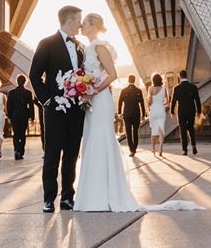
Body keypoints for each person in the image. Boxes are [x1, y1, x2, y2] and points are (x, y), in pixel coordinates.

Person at [73, 13, 202, 213]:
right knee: (92, 140)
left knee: (101, 140)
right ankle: (94, 194)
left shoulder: (99, 47)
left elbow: (113, 75)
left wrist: (92, 91)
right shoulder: (89, 47)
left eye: (85, 23)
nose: (81, 25)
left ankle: (104, 195)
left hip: (99, 100)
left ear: (93, 26)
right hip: (92, 101)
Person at [29, 5, 85, 213]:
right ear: (69, 21)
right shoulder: (46, 44)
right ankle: (48, 198)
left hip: (76, 110)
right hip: (54, 110)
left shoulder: (80, 46)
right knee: (52, 153)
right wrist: (47, 100)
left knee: (71, 153)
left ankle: (67, 197)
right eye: (79, 20)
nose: (81, 24)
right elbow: (34, 75)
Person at [171, 69, 202, 155]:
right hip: (191, 111)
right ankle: (193, 145)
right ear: (186, 76)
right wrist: (199, 111)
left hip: (181, 112)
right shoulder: (193, 87)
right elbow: (197, 100)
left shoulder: (176, 88)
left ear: (180, 77)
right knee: (191, 128)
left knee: (183, 130)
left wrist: (172, 111)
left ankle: (185, 149)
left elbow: (173, 101)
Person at [7, 75, 35, 160]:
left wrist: (9, 115)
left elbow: (9, 106)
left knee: (16, 133)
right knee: (22, 134)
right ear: (25, 82)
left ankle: (16, 149)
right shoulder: (28, 93)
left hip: (14, 116)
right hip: (24, 116)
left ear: (17, 81)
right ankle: (21, 151)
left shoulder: (11, 92)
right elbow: (31, 106)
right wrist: (32, 117)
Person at [118, 75, 146, 156]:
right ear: (134, 80)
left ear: (128, 80)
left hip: (127, 114)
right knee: (135, 132)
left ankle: (131, 149)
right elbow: (142, 104)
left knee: (128, 132)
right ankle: (135, 148)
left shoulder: (124, 91)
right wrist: (143, 114)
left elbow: (120, 102)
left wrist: (119, 112)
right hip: (136, 113)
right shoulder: (139, 91)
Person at [147, 74, 167, 157]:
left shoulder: (150, 88)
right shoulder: (164, 89)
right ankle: (161, 149)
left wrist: (150, 106)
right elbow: (167, 101)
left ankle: (153, 148)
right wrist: (162, 104)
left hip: (153, 111)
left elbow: (149, 102)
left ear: (153, 80)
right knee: (161, 129)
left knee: (153, 130)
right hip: (161, 110)